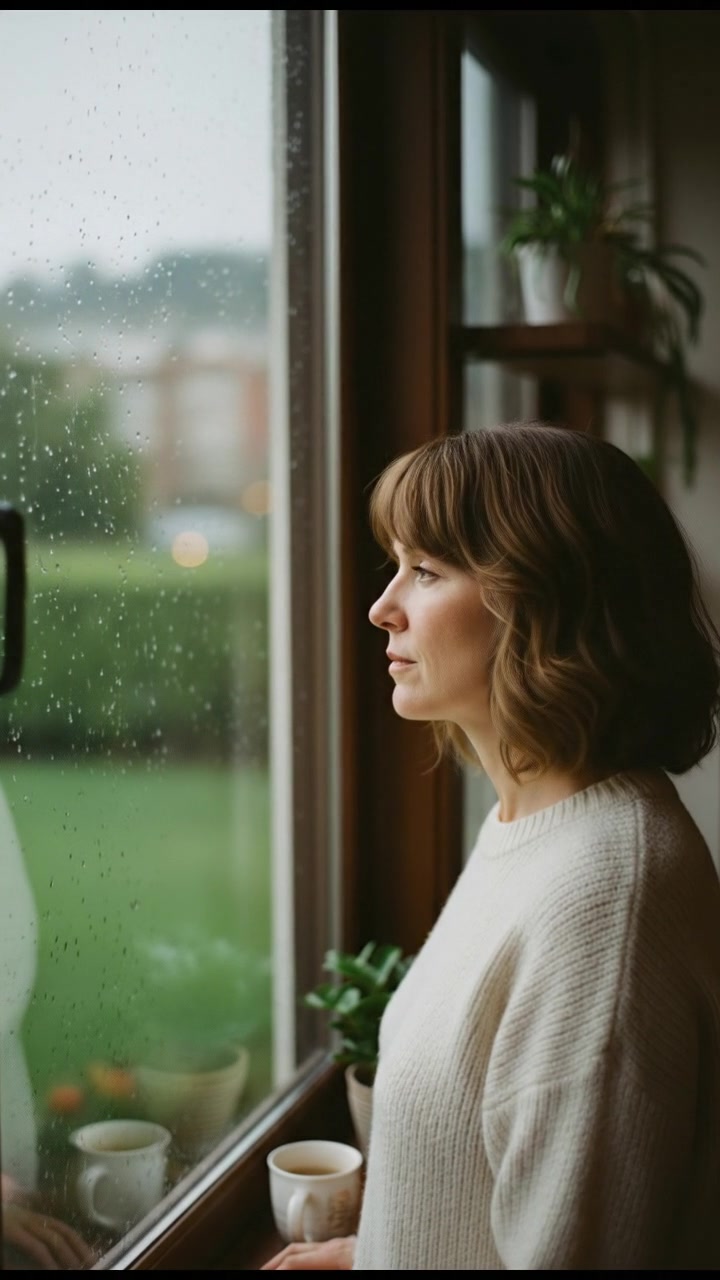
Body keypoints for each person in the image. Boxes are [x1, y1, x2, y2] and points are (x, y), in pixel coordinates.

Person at [262, 421, 720, 1270]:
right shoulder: (538, 825)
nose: (382, 606)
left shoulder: (605, 902)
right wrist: (377, 1255)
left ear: (546, 599)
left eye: (426, 571)